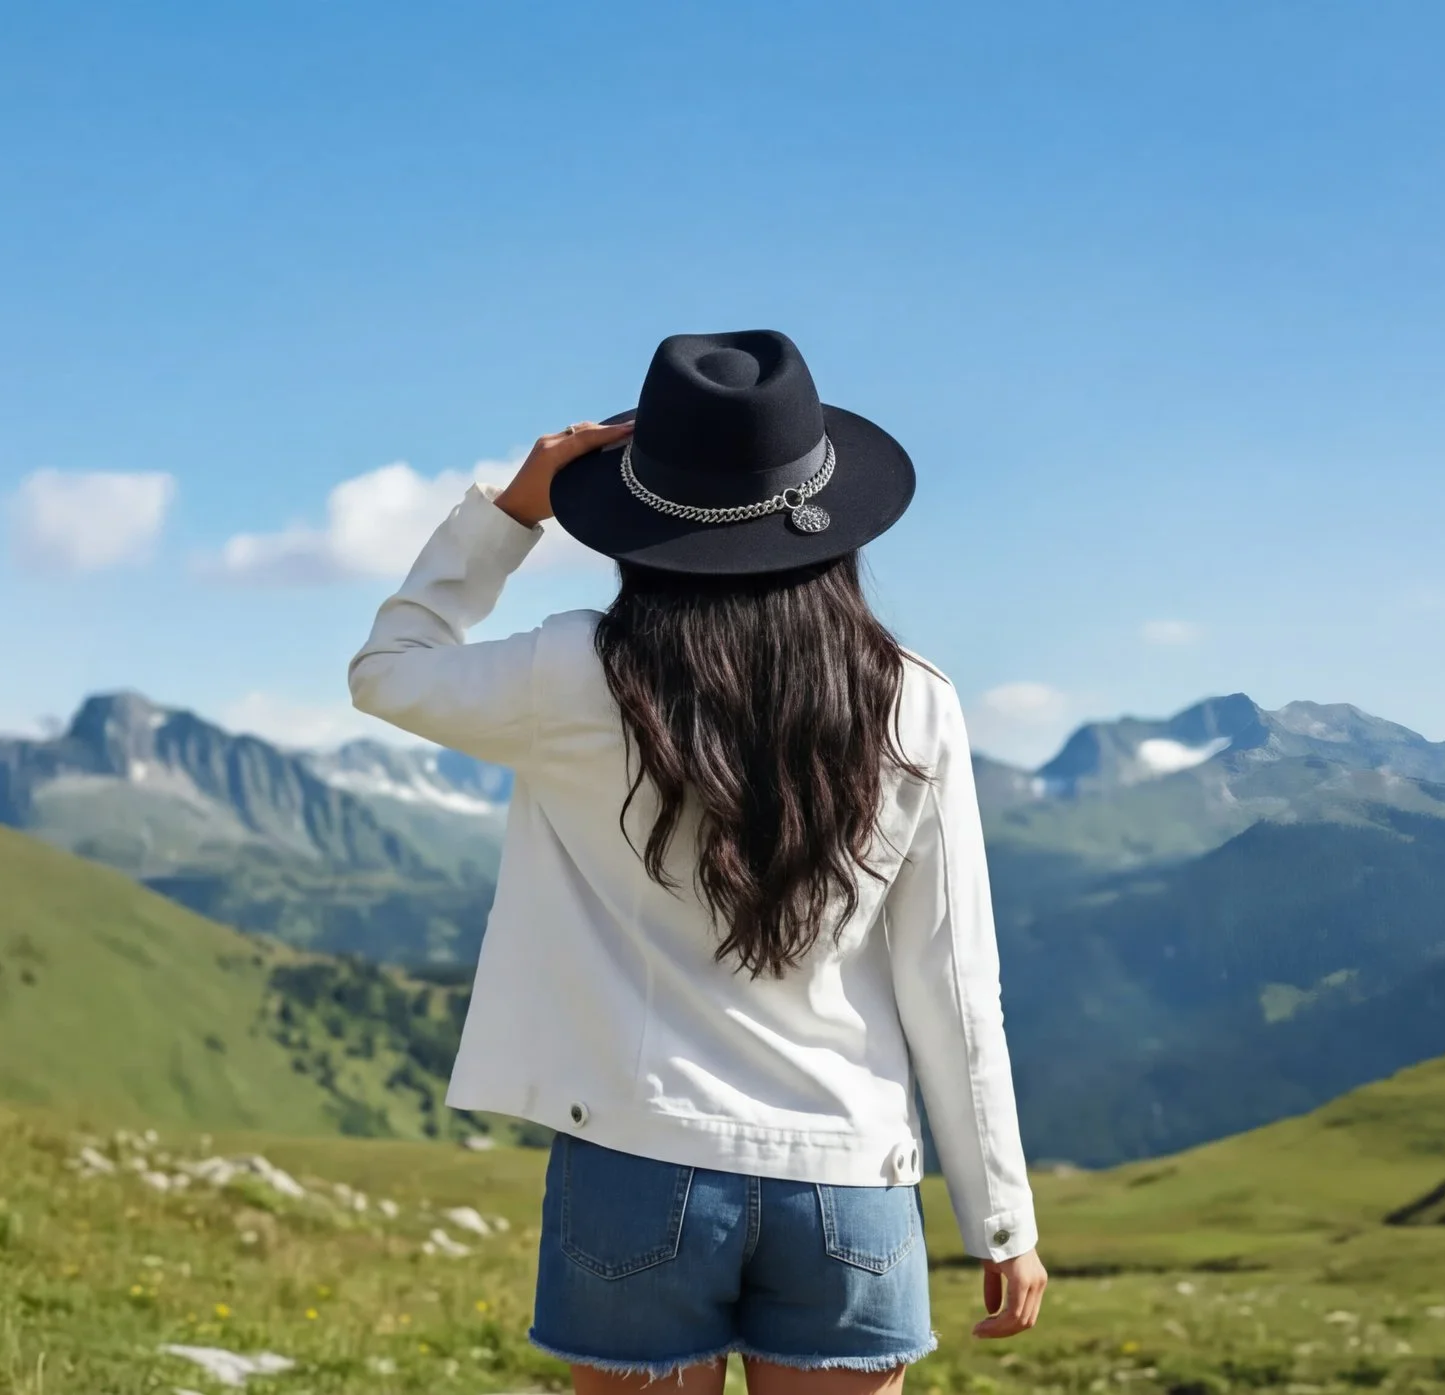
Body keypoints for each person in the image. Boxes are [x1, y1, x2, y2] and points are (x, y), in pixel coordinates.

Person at [349, 330, 1044, 1393]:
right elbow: (951, 978)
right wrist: (1001, 1217)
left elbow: (388, 670)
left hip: (635, 1160)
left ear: (639, 519)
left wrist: (511, 512)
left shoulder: (572, 672)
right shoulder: (914, 697)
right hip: (849, 1173)